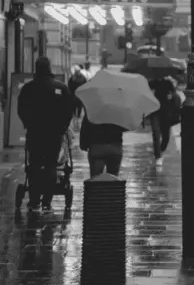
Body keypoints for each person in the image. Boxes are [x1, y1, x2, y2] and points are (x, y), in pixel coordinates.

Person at [17, 57, 77, 210]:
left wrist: (28, 124)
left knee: (35, 164)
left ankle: (34, 198)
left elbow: (21, 109)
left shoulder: (28, 88)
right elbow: (70, 108)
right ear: (49, 68)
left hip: (35, 133)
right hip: (54, 134)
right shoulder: (60, 88)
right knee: (51, 164)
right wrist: (63, 126)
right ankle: (47, 200)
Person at [80, 111, 127, 176]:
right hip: (115, 147)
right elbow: (126, 127)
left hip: (97, 147)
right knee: (113, 179)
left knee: (95, 179)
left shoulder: (92, 110)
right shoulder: (118, 111)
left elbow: (85, 127)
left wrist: (83, 144)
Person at [148, 76, 180, 164]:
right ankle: (158, 156)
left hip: (166, 112)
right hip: (155, 112)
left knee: (166, 137)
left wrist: (172, 93)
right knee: (156, 133)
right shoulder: (153, 82)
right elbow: (147, 92)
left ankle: (160, 150)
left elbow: (175, 96)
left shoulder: (168, 82)